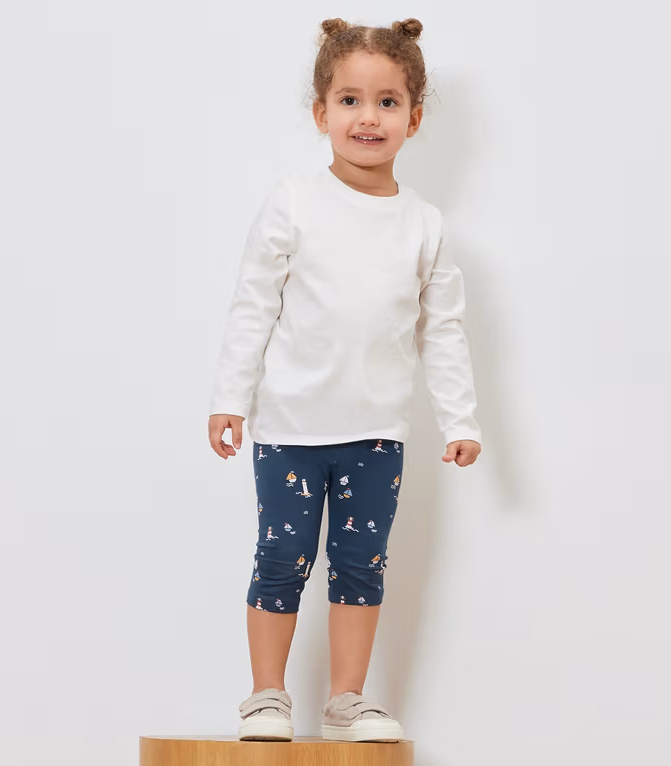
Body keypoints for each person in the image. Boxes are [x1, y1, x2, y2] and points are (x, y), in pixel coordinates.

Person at [207, 17, 482, 744]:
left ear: (413, 119)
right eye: (351, 100)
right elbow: (253, 304)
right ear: (321, 111)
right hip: (291, 429)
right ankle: (266, 694)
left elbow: (443, 330)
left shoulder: (424, 224)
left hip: (376, 433)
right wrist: (230, 398)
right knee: (281, 557)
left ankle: (346, 699)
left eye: (388, 102)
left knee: (360, 565)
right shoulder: (293, 201)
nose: (369, 117)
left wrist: (461, 419)